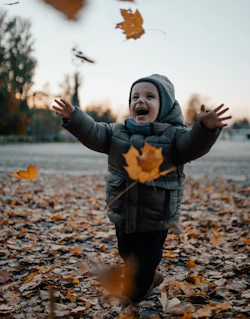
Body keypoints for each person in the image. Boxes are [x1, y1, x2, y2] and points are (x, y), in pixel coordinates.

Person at [52, 74, 231, 302]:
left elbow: (192, 145)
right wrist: (74, 117)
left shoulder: (174, 136)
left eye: (149, 96)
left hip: (156, 218)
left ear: (164, 107)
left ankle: (138, 291)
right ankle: (150, 276)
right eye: (135, 97)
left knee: (142, 265)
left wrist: (205, 129)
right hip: (123, 212)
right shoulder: (117, 132)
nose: (140, 101)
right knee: (127, 253)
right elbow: (93, 131)